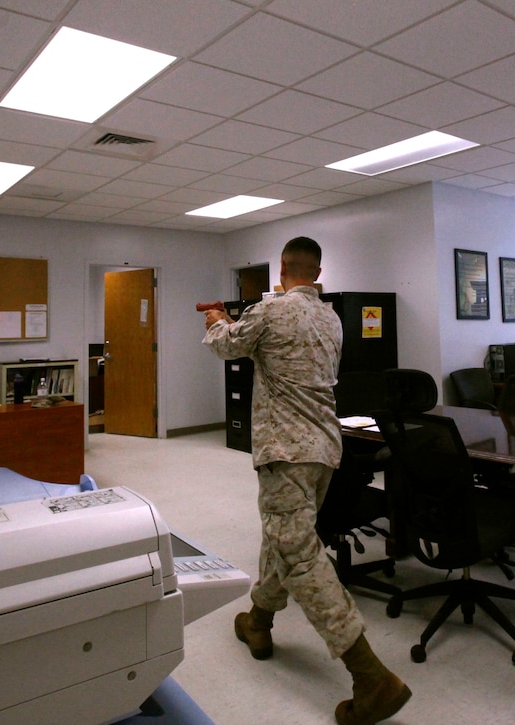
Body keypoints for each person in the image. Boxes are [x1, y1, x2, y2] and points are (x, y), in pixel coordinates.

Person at [201, 237, 411, 724]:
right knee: (285, 537)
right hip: (324, 451)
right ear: (317, 272)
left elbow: (228, 346)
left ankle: (370, 675)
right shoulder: (331, 317)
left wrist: (216, 321)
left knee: (298, 550)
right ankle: (258, 620)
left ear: (282, 268)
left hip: (284, 450)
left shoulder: (270, 310)